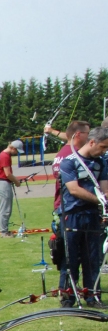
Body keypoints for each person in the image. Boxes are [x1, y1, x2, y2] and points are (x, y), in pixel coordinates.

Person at [59, 126, 108, 306]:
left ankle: (93, 296)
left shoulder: (101, 162)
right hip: (72, 215)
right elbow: (74, 189)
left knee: (92, 259)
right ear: (92, 142)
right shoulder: (69, 162)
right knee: (70, 258)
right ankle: (67, 297)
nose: (104, 151)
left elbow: (105, 188)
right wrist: (99, 200)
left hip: (92, 216)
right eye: (102, 147)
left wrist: (105, 200)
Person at [48, 121, 91, 296]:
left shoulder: (61, 153)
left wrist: (50, 131)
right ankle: (68, 291)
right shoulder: (72, 156)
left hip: (61, 207)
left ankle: (69, 290)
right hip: (69, 210)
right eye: (88, 133)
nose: (90, 137)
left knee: (69, 253)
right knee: (71, 254)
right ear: (78, 135)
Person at [0, 139, 24, 237]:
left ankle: (4, 231)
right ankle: (3, 232)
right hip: (3, 183)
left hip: (2, 182)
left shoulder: (4, 155)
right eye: (16, 151)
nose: (16, 153)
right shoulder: (5, 156)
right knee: (5, 209)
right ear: (12, 148)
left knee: (6, 208)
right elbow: (7, 174)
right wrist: (16, 182)